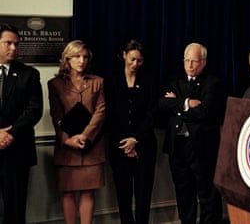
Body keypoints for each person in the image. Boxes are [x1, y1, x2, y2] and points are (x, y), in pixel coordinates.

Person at [158, 42, 225, 224]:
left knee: (207, 191)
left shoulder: (212, 83)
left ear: (203, 62)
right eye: (186, 60)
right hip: (177, 144)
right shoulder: (174, 80)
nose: (189, 65)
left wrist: (177, 105)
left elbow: (206, 111)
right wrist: (186, 103)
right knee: (183, 190)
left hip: (202, 145)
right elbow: (162, 104)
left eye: (194, 61)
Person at [48, 40, 106, 224]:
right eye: (77, 56)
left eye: (85, 57)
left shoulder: (97, 81)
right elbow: (55, 114)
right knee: (68, 192)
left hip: (91, 147)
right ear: (67, 58)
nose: (82, 60)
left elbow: (101, 111)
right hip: (67, 148)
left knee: (88, 192)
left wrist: (85, 136)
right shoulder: (55, 84)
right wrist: (66, 140)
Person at [104, 39, 157, 224]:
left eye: (140, 60)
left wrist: (136, 139)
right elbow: (109, 114)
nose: (136, 64)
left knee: (143, 195)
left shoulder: (149, 80)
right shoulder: (111, 80)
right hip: (119, 146)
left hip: (145, 145)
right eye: (133, 59)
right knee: (123, 194)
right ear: (124, 55)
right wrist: (126, 142)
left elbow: (152, 114)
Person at [0, 23, 43, 224]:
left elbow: (34, 110)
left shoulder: (29, 74)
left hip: (17, 149)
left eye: (16, 44)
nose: (14, 48)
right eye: (8, 43)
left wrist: (11, 134)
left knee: (15, 207)